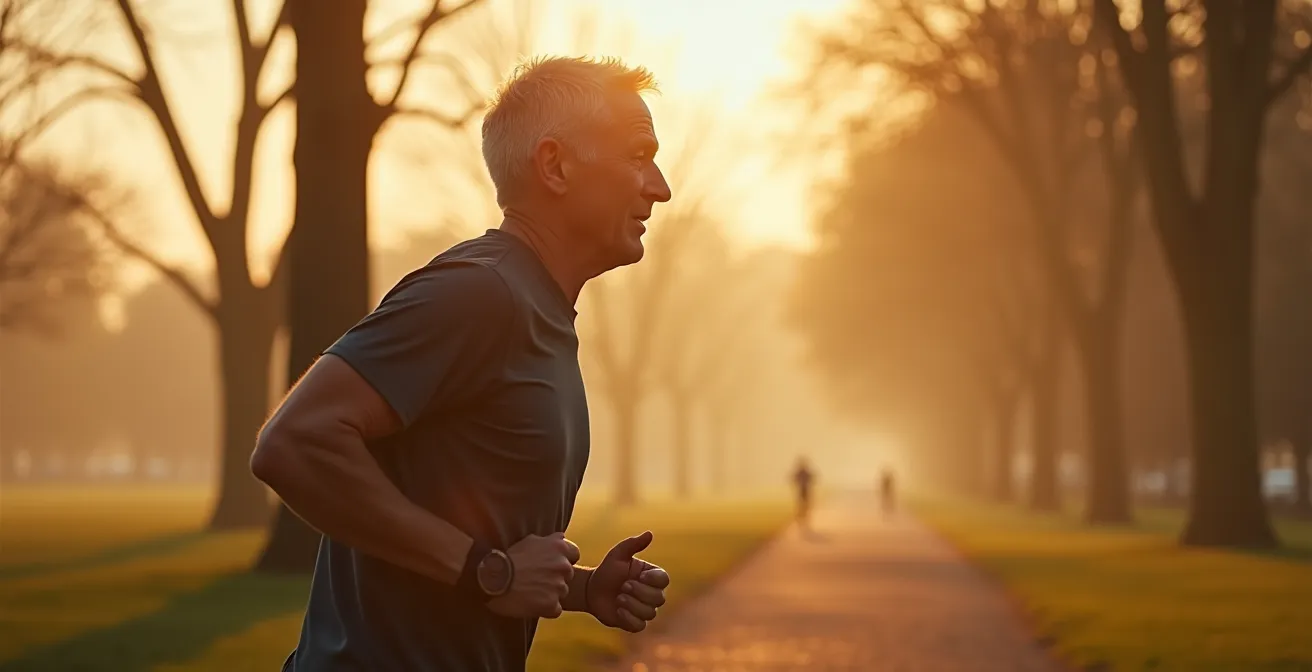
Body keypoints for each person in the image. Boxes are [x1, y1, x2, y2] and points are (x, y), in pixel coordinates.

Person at [250, 56, 674, 672]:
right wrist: (490, 572)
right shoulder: (478, 294)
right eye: (638, 156)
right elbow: (292, 443)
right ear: (554, 165)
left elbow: (462, 524)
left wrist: (579, 588)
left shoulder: (536, 310)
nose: (658, 186)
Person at [792, 456, 815, 530]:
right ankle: (800, 517)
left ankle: (803, 517)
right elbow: (794, 479)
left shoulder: (806, 472)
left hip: (806, 490)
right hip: (802, 490)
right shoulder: (801, 472)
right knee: (802, 505)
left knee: (805, 505)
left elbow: (812, 479)